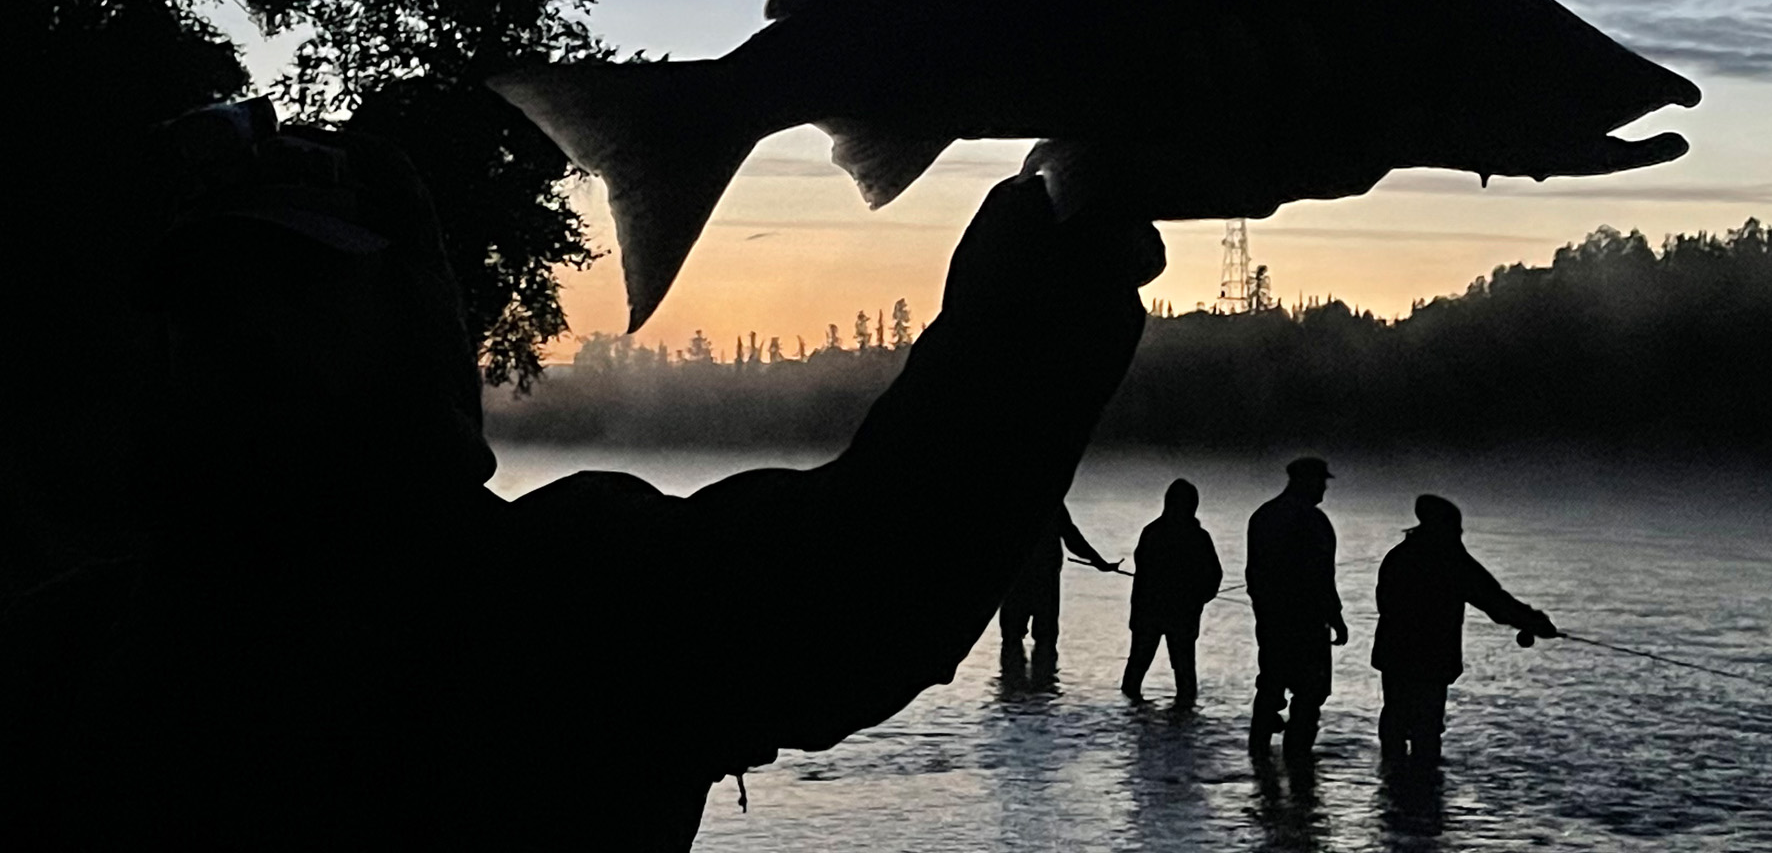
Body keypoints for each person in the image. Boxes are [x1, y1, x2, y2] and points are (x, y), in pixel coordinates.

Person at [8, 100, 1161, 850]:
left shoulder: (565, 603)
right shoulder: (57, 662)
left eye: (297, 287)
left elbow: (877, 566)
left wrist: (1073, 221)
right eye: (207, 301)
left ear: (409, 325)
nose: (247, 329)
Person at [1370, 494, 1559, 765]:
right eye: (1457, 528)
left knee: (1395, 718)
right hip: (1431, 657)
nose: (1459, 534)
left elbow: (1384, 603)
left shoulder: (1399, 555)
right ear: (1445, 527)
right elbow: (1493, 599)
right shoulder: (1451, 559)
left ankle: (1391, 783)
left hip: (1395, 653)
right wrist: (1534, 623)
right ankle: (1423, 790)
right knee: (1427, 728)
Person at [1245, 456, 1348, 764]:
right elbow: (1322, 577)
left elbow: (1254, 576)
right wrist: (1336, 618)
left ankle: (1259, 759)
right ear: (1307, 481)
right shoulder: (1315, 522)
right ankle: (1298, 762)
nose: (1323, 490)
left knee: (1271, 685)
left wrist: (1264, 610)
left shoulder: (1263, 516)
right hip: (1307, 625)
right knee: (1309, 694)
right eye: (1321, 482)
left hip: (1270, 621)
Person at [1120, 479, 1223, 705]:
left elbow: (1143, 569)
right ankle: (1184, 719)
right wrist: (1200, 598)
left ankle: (1131, 712)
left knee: (1137, 670)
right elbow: (1214, 575)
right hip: (1181, 614)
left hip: (1149, 612)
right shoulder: (1198, 537)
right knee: (1185, 674)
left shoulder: (1152, 532)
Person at [1000, 506, 1122, 672]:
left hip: (1016, 581)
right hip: (1044, 580)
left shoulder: (1012, 504)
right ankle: (1044, 683)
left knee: (1012, 638)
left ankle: (1011, 684)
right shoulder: (1053, 505)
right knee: (1045, 639)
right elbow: (1072, 538)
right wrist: (1099, 562)